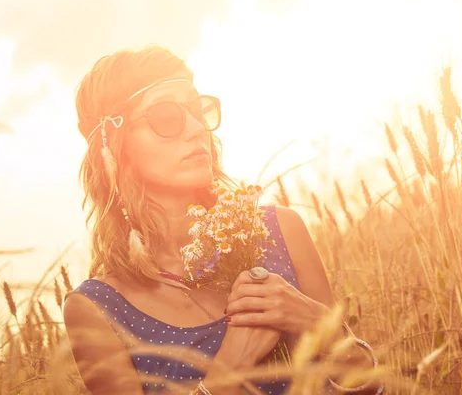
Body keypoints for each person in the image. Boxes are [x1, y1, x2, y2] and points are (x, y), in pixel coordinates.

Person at [62, 45, 384, 395]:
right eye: (168, 116)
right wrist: (228, 368)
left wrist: (322, 328)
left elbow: (371, 389)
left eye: (197, 110)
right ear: (114, 144)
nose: (197, 129)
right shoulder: (97, 309)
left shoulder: (280, 231)